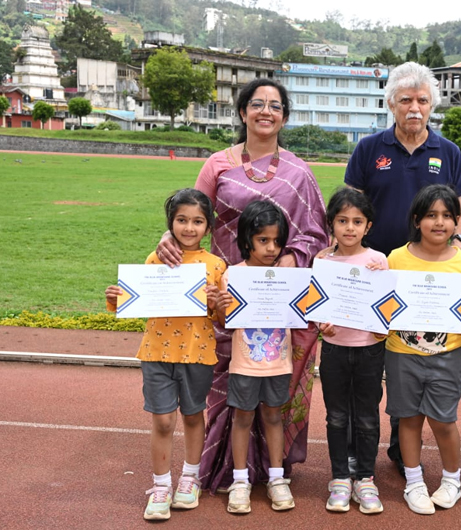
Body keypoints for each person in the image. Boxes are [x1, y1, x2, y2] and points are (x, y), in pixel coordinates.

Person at [156, 78, 328, 493]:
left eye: (275, 105)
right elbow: (191, 215)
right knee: (226, 382)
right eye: (257, 104)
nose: (266, 111)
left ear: (284, 116)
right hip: (225, 294)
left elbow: (316, 232)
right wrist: (166, 237)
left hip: (277, 298)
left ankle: (272, 470)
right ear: (242, 112)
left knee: (273, 384)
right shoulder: (217, 164)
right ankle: (224, 470)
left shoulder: (300, 172)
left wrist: (290, 258)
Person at [344, 61, 461, 475]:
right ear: (391, 105)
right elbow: (350, 207)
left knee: (410, 362)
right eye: (405, 100)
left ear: (432, 105)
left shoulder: (448, 152)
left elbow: (460, 214)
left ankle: (403, 450)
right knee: (366, 364)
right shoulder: (369, 149)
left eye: (422, 100)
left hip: (425, 280)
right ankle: (358, 447)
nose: (414, 108)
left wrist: (460, 247)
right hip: (374, 273)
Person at [105, 189, 225, 521]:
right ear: (170, 223)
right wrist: (116, 299)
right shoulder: (155, 260)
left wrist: (217, 304)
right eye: (182, 220)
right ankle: (161, 486)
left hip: (197, 353)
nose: (189, 228)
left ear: (208, 226)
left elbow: (223, 319)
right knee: (162, 420)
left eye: (198, 221)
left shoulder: (216, 265)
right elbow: (138, 302)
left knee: (193, 415)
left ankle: (190, 478)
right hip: (156, 351)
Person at [385, 184, 461, 515]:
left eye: (447, 216)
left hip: (447, 355)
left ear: (456, 222)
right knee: (409, 420)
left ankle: (452, 480)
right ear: (417, 220)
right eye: (430, 215)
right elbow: (385, 302)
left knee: (443, 421)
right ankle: (414, 483)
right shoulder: (396, 258)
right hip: (402, 353)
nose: (439, 222)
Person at [216, 201, 295, 514]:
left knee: (274, 417)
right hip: (245, 364)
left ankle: (277, 478)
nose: (271, 248)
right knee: (243, 418)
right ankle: (240, 481)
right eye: (263, 240)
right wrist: (220, 306)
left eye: (277, 241)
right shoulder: (234, 275)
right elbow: (226, 322)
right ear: (247, 239)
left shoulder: (289, 276)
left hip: (279, 363)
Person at [314, 188, 388, 514]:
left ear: (368, 226)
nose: (349, 228)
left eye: (357, 221)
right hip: (334, 349)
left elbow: (386, 306)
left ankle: (366, 478)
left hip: (370, 349)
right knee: (336, 416)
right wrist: (322, 324)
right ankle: (341, 477)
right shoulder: (322, 261)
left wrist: (381, 324)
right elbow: (316, 304)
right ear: (331, 223)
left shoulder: (378, 260)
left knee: (368, 416)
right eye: (342, 220)